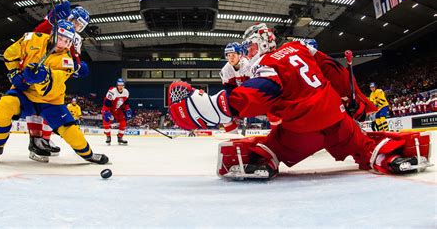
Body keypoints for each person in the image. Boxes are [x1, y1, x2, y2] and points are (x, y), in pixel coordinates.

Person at [168, 23, 431, 179]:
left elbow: (263, 89)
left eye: (250, 48)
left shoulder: (270, 62)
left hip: (302, 127)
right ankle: (386, 155)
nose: (248, 53)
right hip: (337, 118)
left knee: (276, 146)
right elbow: (334, 71)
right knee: (359, 142)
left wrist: (222, 107)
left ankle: (265, 160)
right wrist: (356, 100)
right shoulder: (303, 48)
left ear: (262, 43)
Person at [0, 20, 108, 165]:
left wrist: (43, 76)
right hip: (25, 94)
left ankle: (88, 154)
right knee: (5, 105)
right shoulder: (32, 38)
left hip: (50, 101)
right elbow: (10, 54)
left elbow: (55, 84)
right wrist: (14, 72)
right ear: (52, 34)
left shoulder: (67, 61)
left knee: (70, 130)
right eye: (60, 38)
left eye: (66, 41)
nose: (61, 44)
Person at [27, 3, 90, 157]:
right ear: (71, 17)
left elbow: (74, 58)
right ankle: (35, 141)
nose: (76, 26)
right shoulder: (57, 25)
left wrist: (77, 66)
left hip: (55, 76)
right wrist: (49, 20)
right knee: (34, 105)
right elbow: (36, 34)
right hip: (37, 70)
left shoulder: (77, 38)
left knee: (52, 108)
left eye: (80, 26)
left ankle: (45, 140)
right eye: (76, 22)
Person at [219, 42, 251, 133]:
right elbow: (229, 90)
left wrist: (248, 99)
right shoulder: (226, 70)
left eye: (233, 55)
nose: (231, 58)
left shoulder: (248, 65)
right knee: (222, 110)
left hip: (255, 95)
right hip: (240, 96)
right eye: (228, 55)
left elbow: (256, 84)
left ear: (239, 55)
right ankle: (233, 137)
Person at [101, 78, 133, 145]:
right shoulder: (112, 91)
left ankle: (120, 138)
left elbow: (126, 103)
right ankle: (108, 136)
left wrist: (127, 110)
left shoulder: (126, 92)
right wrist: (106, 112)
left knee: (123, 121)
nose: (120, 87)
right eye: (119, 85)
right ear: (117, 85)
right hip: (108, 108)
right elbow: (107, 103)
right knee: (106, 121)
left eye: (122, 85)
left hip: (117, 109)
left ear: (124, 85)